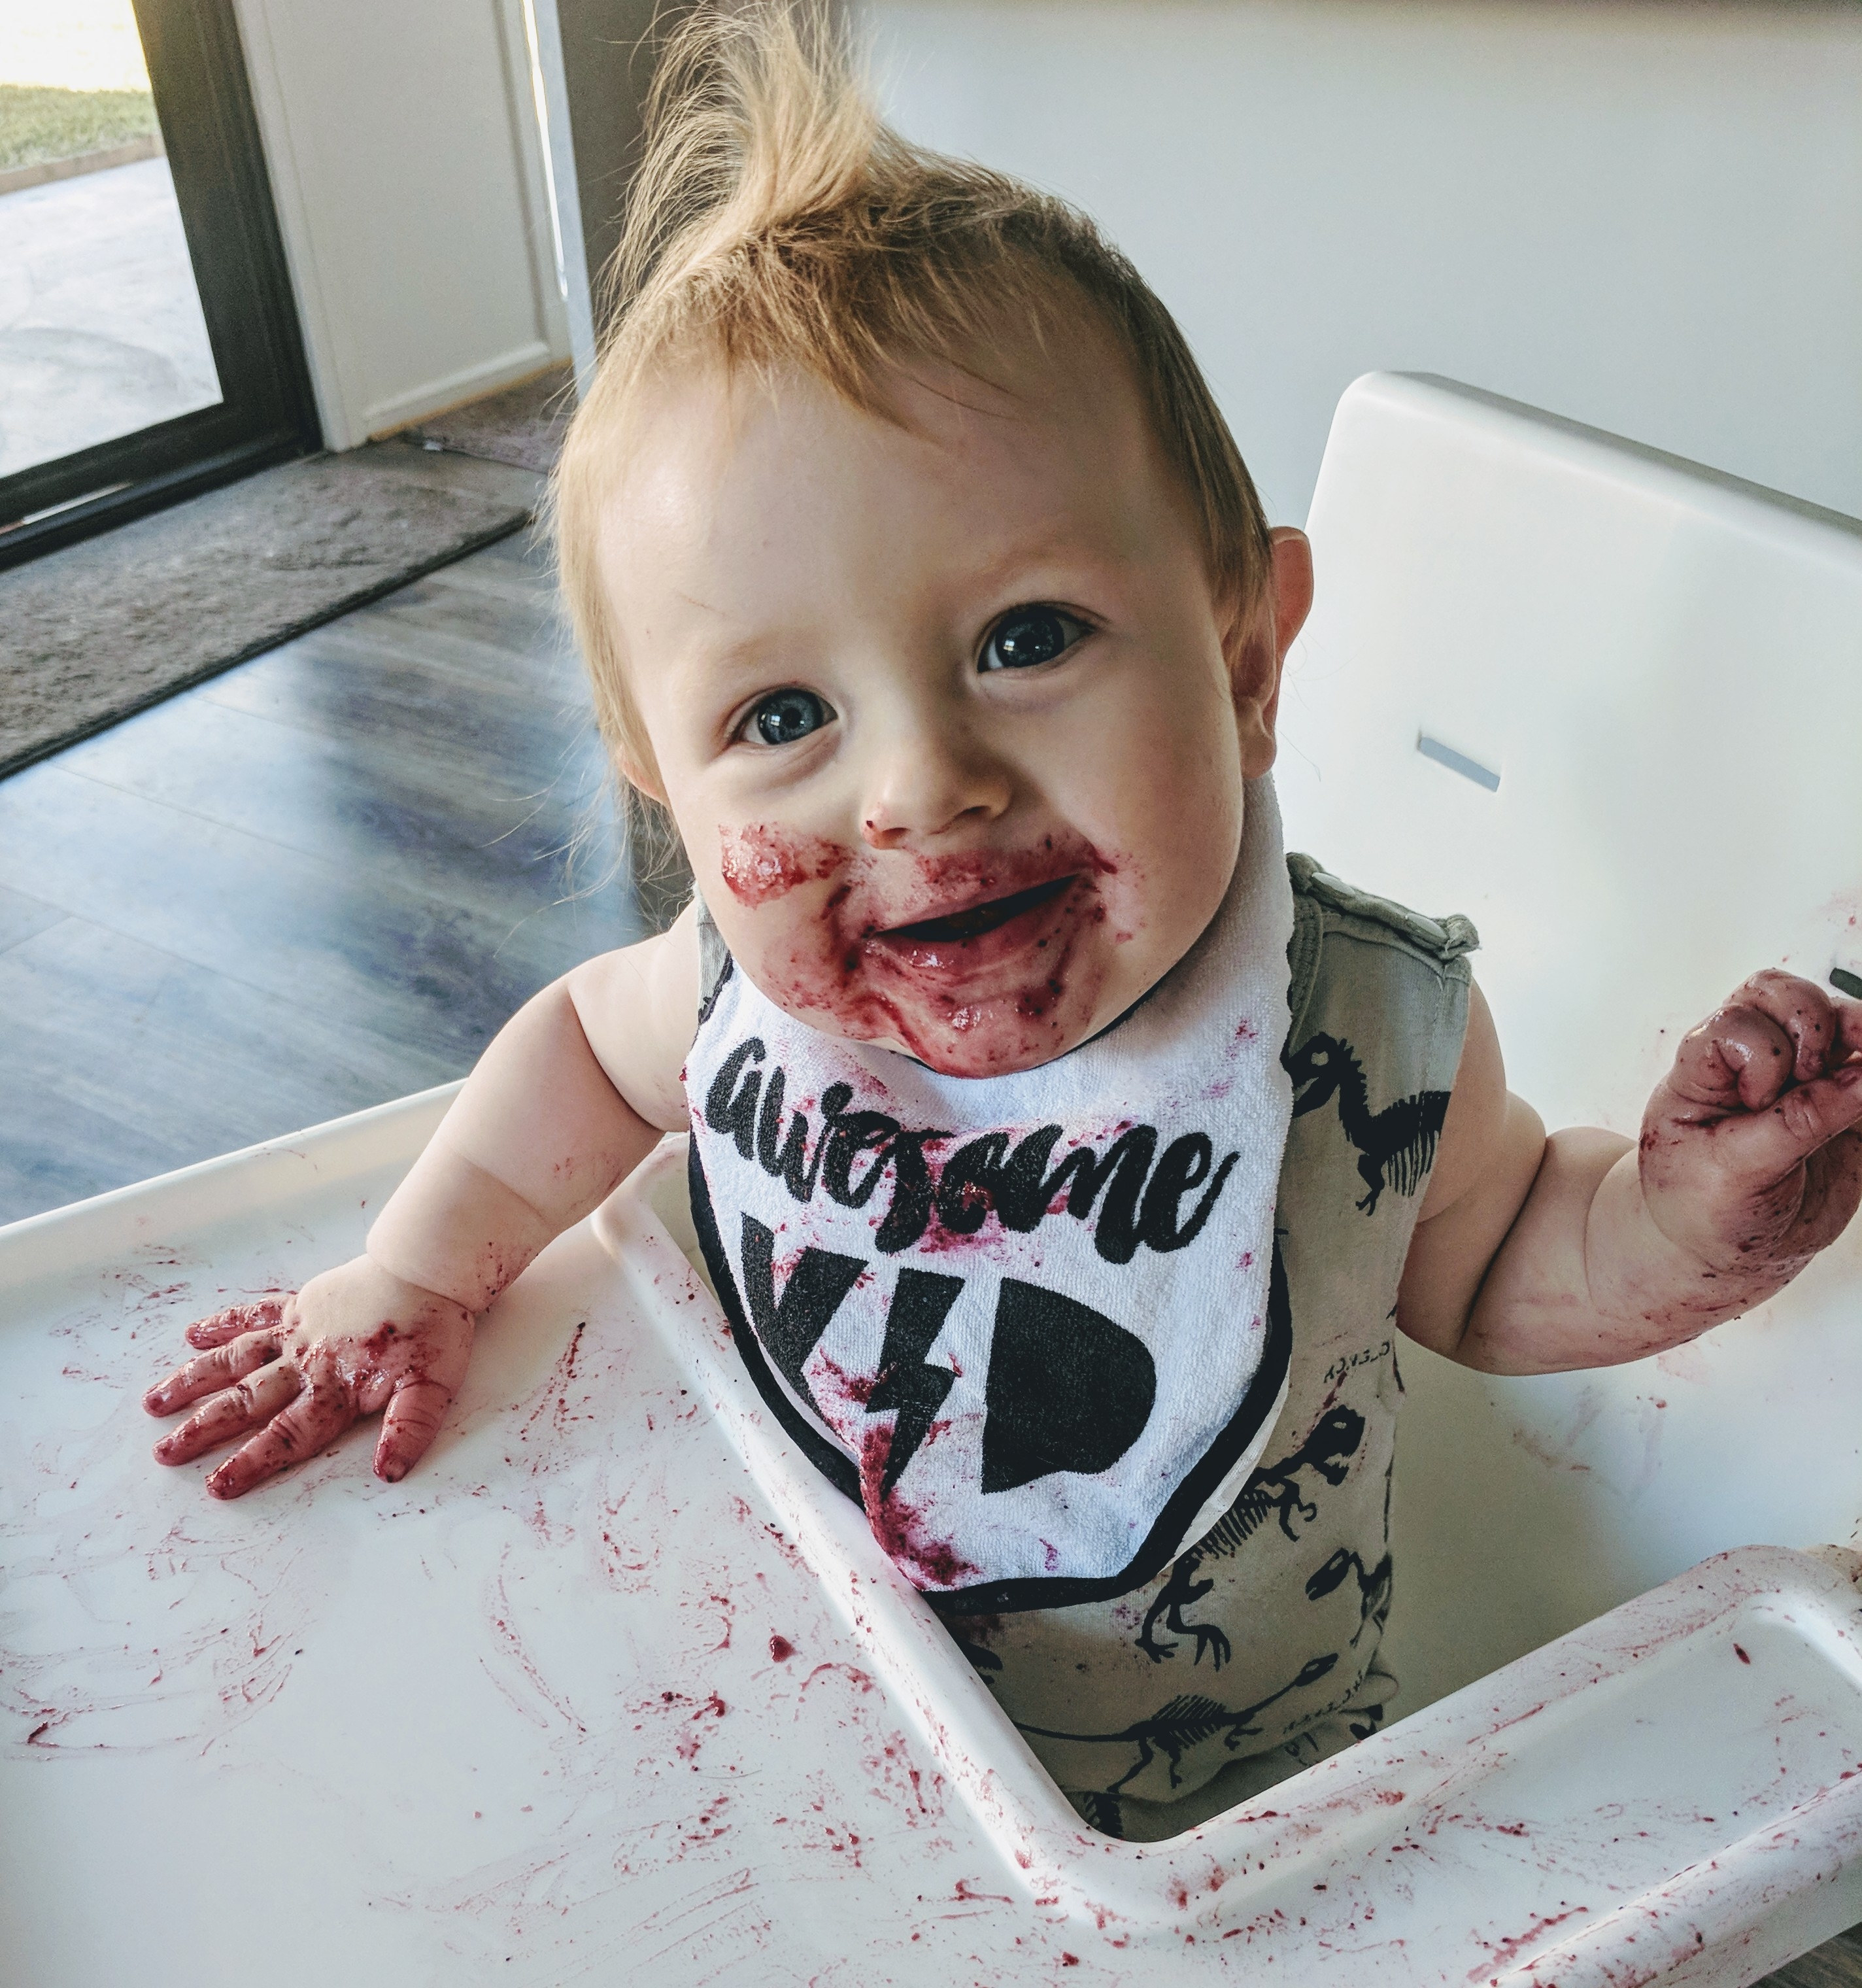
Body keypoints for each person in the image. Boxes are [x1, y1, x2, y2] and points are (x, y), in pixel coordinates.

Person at [141, 3, 1862, 1838]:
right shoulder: (742, 988)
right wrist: (417, 1274)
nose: (916, 788)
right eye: (781, 719)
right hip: (789, 1719)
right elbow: (580, 1051)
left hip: (1237, 1817)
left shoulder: (1355, 1026)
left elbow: (1500, 1260)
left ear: (1247, 661)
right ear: (672, 795)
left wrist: (1689, 1226)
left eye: (1026, 640)